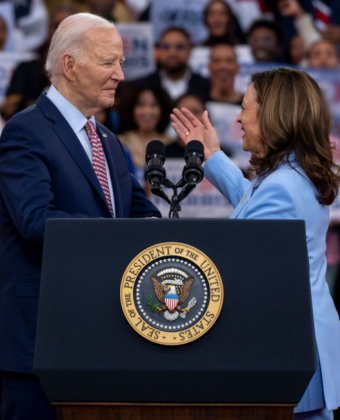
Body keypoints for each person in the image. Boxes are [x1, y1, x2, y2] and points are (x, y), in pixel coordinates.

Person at [0, 12, 160, 420]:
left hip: (101, 335)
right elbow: (35, 219)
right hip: (40, 341)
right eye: (109, 62)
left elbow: (140, 214)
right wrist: (115, 239)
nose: (120, 75)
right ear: (69, 65)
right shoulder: (26, 131)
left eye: (121, 62)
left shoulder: (105, 139)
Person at [171, 67, 340, 419]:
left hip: (287, 351)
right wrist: (213, 156)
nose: (238, 116)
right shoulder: (293, 175)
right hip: (304, 345)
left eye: (245, 107)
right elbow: (254, 201)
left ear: (273, 115)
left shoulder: (281, 186)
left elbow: (243, 268)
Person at [135, 27, 210, 103]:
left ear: (190, 50)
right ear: (159, 50)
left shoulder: (207, 87)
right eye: (166, 47)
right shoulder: (142, 86)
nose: (172, 53)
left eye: (179, 47)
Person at [118, 86, 173, 186]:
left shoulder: (171, 143)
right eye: (141, 105)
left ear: (162, 108)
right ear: (131, 108)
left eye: (154, 105)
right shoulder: (119, 142)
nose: (147, 111)